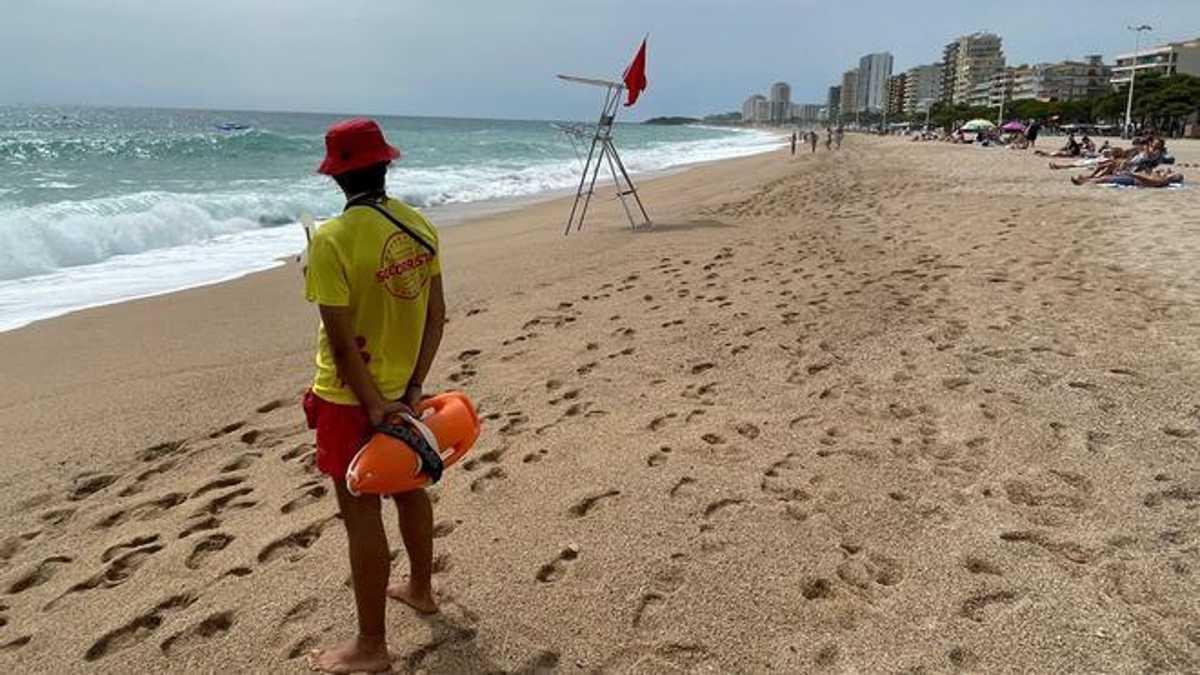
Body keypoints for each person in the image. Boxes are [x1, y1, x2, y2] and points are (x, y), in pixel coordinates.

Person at [303, 118, 446, 673]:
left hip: (348, 400)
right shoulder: (419, 226)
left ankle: (371, 645)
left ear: (336, 177)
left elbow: (341, 345)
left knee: (360, 511)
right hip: (401, 391)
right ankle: (421, 589)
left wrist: (371, 406)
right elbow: (436, 315)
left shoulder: (330, 240)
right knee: (409, 490)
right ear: (385, 164)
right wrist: (410, 389)